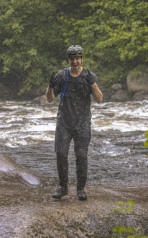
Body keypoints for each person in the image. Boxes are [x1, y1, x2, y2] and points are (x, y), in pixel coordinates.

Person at [46, 45, 103, 200]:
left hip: (82, 122)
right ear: (69, 60)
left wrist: (93, 84)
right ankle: (63, 188)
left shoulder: (89, 76)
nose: (75, 61)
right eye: (72, 59)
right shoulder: (61, 76)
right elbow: (50, 99)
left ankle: (80, 189)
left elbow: (99, 99)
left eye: (78, 58)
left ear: (82, 59)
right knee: (61, 153)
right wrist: (50, 86)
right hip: (64, 121)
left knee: (81, 155)